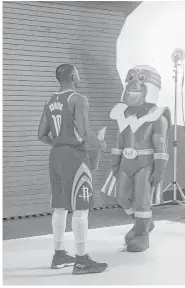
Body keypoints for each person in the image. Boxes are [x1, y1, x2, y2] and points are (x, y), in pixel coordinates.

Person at [38, 64, 108, 275]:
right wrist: (99, 144)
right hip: (74, 156)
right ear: (72, 76)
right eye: (77, 72)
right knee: (81, 207)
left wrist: (59, 144)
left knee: (59, 206)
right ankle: (81, 260)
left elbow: (41, 134)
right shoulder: (78, 99)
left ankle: (59, 255)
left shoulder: (49, 101)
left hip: (56, 155)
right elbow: (85, 131)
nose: (79, 75)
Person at [108, 65, 171, 252]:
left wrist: (159, 169)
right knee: (121, 197)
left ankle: (142, 234)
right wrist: (115, 163)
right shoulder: (124, 114)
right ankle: (142, 224)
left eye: (141, 78)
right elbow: (120, 141)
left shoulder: (158, 117)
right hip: (126, 163)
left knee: (142, 200)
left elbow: (160, 144)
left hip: (146, 164)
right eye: (131, 78)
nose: (134, 83)